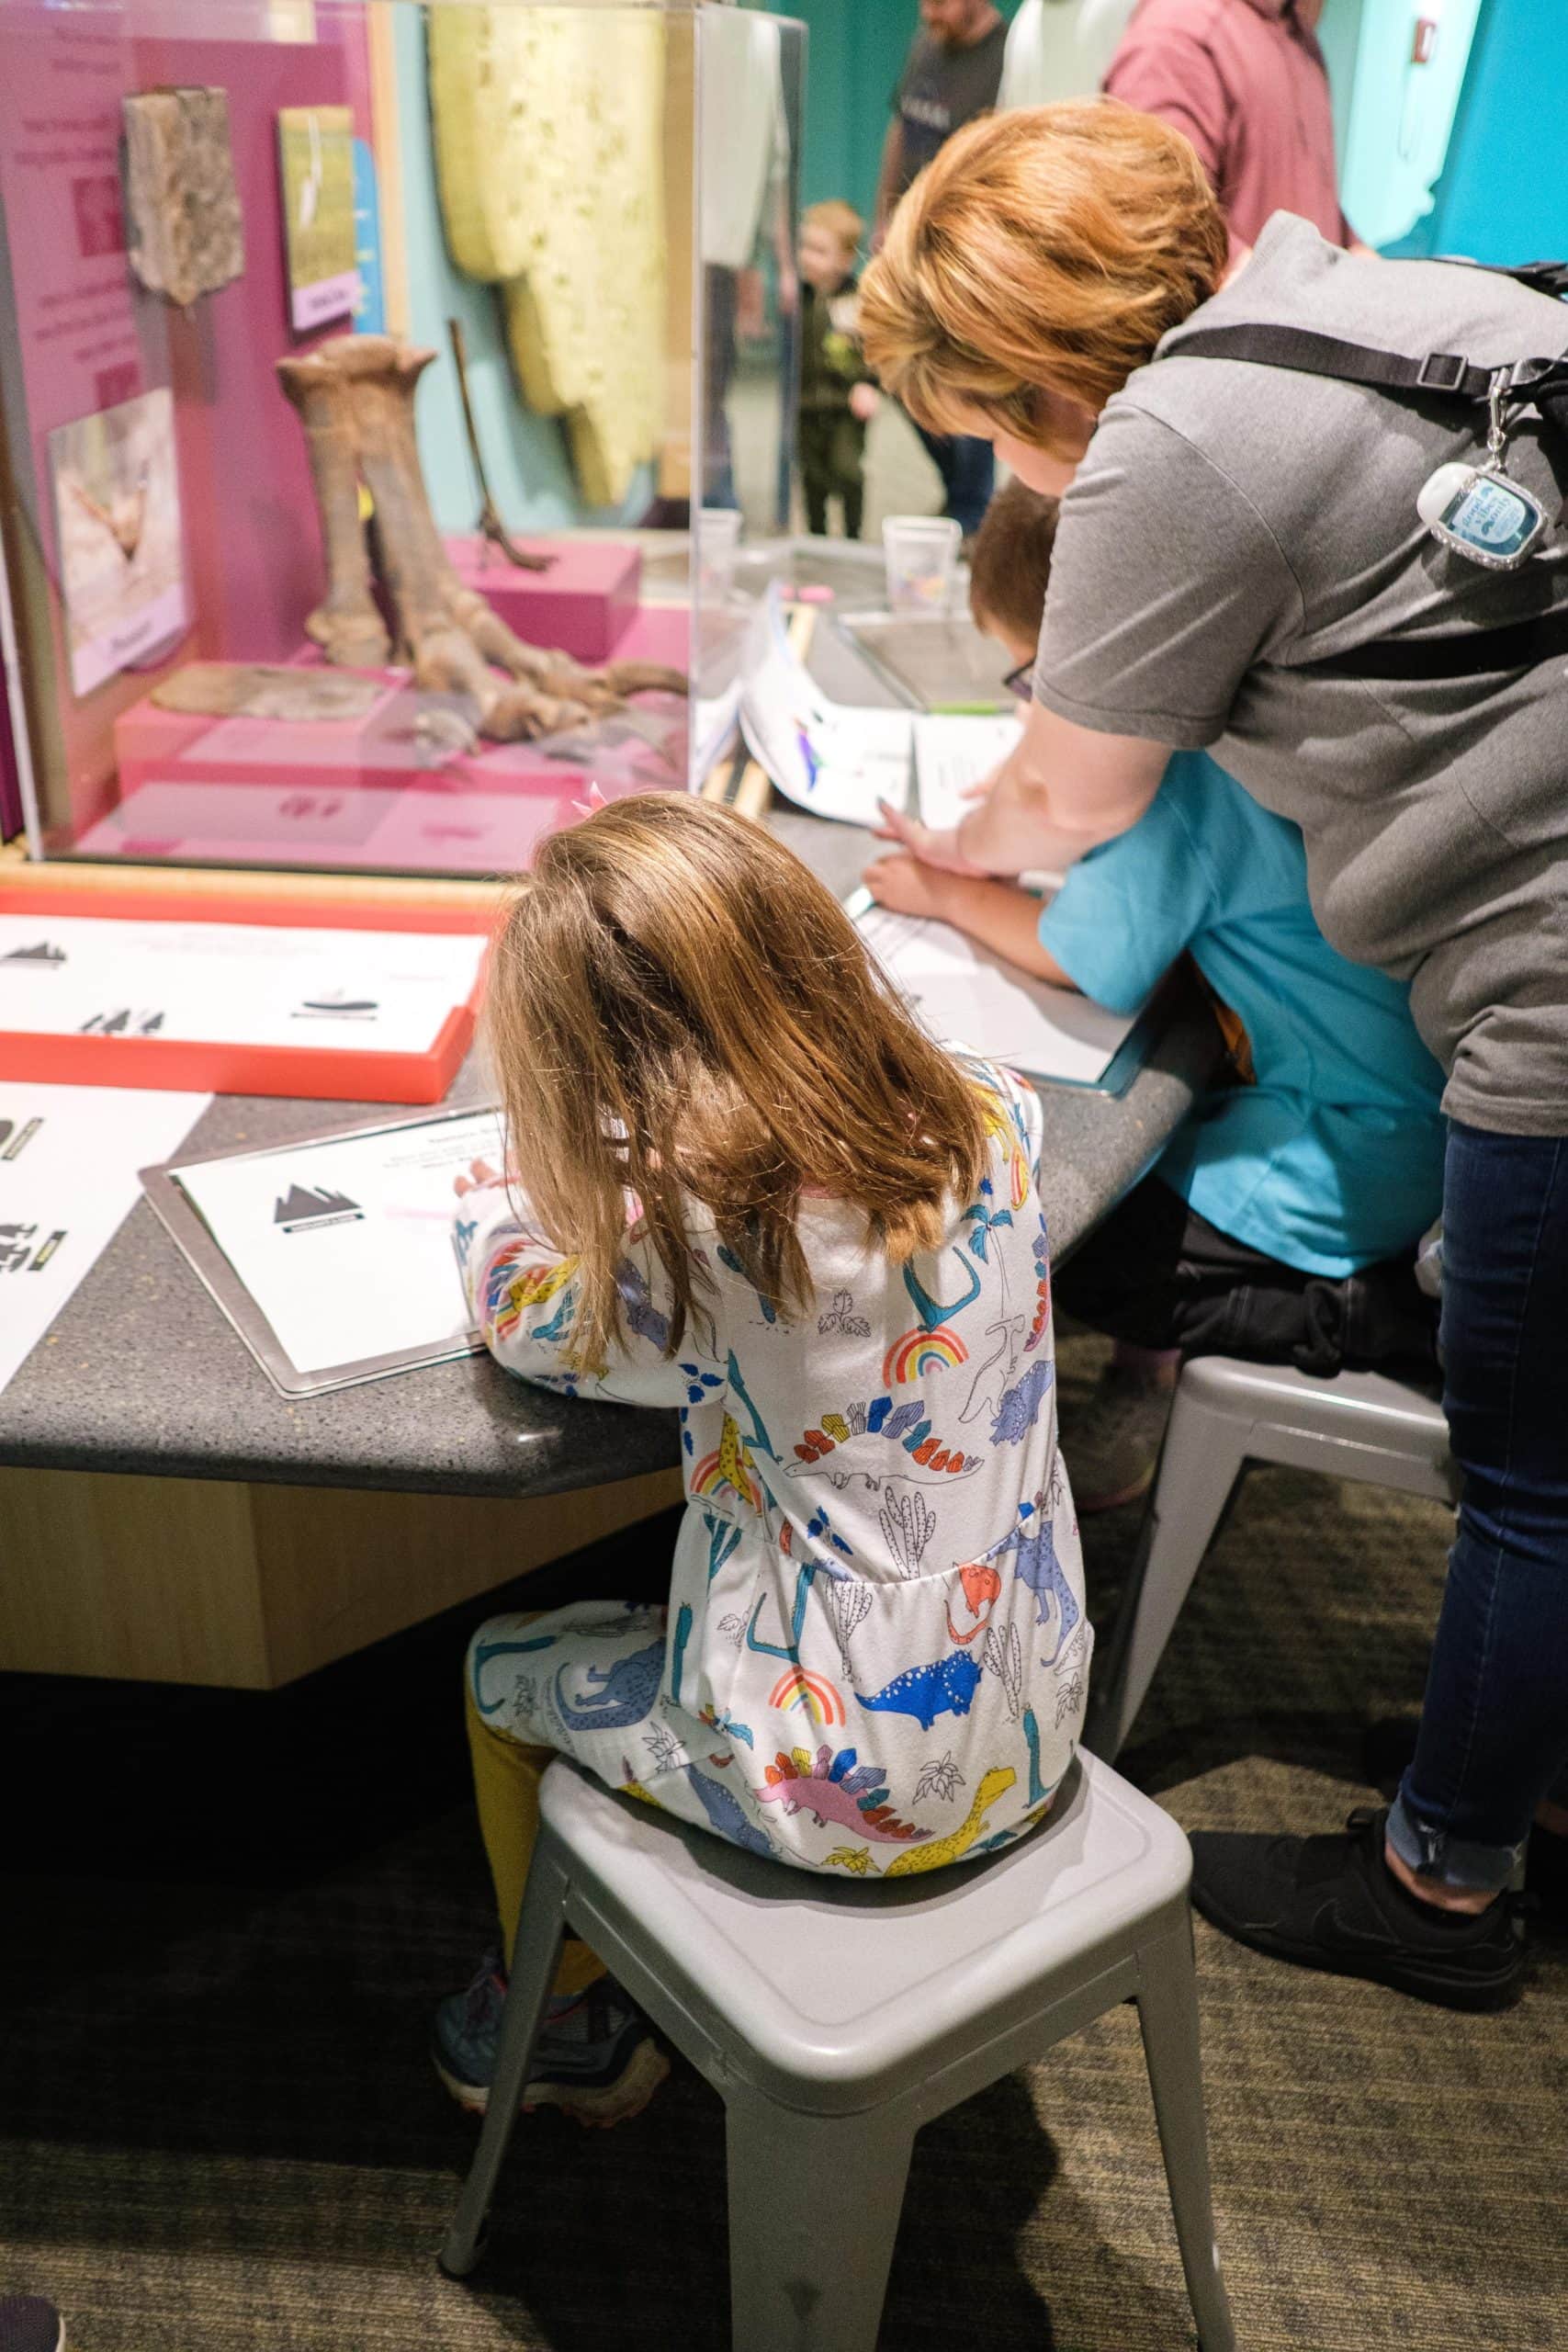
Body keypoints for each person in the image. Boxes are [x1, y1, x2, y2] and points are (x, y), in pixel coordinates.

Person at [858, 99, 1568, 2007]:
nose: (997, 461)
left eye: (980, 419)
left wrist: (935, 860)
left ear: (1024, 370)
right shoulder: (1372, 300)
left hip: (1547, 988)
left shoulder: (1169, 436)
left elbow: (1065, 796)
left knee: (1529, 1469)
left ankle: (1439, 1887)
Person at [433, 794, 1091, 2123]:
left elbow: (525, 1320)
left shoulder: (712, 1246)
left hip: (841, 1780)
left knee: (498, 1669)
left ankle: (557, 2017)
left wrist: (479, 1225)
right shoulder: (994, 1114)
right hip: (1034, 1705)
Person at [865, 481, 1445, 1510]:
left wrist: (946, 893)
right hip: (1406, 1116)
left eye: (1030, 683)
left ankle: (1359, 1313)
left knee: (1067, 1245)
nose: (1026, 711)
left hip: (1351, 1167)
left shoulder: (1181, 783)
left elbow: (1081, 958)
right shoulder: (1238, 715)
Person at [875, 0, 1008, 537]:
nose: (927, 12)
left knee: (971, 377)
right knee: (894, 365)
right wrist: (883, 214)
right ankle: (960, 493)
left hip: (968, 247)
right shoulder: (926, 44)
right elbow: (902, 128)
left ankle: (971, 509)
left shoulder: (1007, 54)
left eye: (938, 2)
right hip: (909, 237)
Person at [1103, 0, 1361, 250]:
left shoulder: (1300, 40)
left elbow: (1308, 199)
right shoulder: (1178, 35)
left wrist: (1357, 259)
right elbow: (1159, 223)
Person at [796, 200, 880, 540]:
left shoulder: (859, 299)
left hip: (845, 407)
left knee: (847, 471)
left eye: (818, 250)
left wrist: (870, 384)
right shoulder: (798, 298)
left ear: (844, 260)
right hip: (805, 405)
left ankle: (853, 537)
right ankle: (815, 538)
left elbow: (877, 347)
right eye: (804, 246)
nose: (806, 257)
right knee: (812, 477)